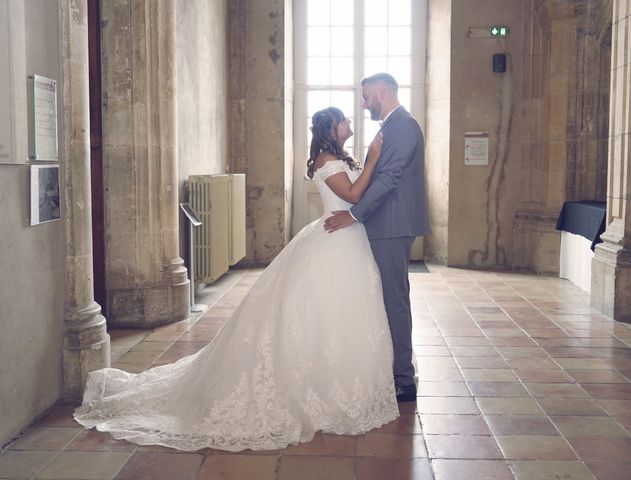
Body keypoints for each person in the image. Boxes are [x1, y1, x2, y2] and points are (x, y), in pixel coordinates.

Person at [73, 106, 399, 452]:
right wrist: (374, 157)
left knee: (341, 315)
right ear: (333, 127)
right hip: (335, 240)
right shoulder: (324, 160)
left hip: (349, 240)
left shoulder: (339, 157)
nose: (350, 122)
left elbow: (357, 192)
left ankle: (342, 381)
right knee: (320, 312)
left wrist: (368, 161)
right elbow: (352, 196)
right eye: (345, 120)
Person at [325, 73, 430, 402]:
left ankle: (403, 379)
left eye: (366, 96)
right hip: (385, 224)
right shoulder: (392, 126)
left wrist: (354, 215)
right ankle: (390, 368)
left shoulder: (402, 126)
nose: (363, 103)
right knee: (383, 298)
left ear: (382, 92)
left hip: (392, 225)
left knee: (394, 299)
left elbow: (388, 180)